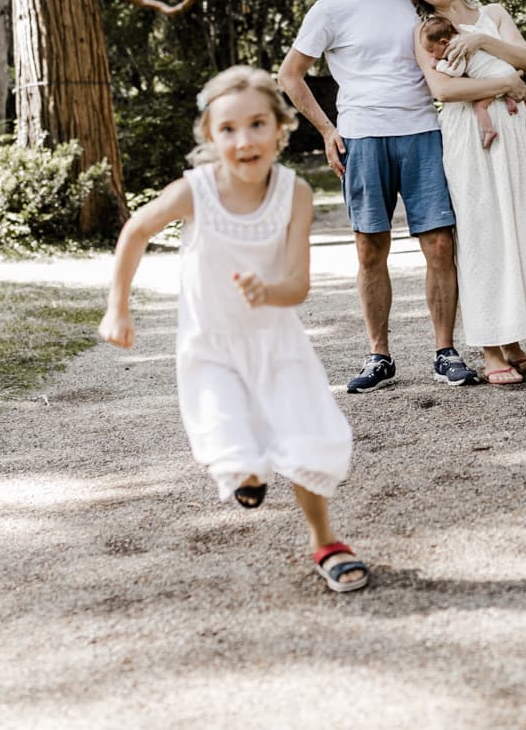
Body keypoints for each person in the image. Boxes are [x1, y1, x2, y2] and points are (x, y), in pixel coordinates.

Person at [98, 66, 368, 594]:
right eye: (228, 130)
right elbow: (135, 231)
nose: (244, 141)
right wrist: (117, 308)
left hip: (277, 343)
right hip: (212, 347)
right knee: (230, 439)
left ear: (280, 128)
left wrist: (268, 292)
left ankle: (325, 540)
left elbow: (297, 283)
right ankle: (246, 473)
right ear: (209, 135)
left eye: (257, 125)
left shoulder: (294, 194)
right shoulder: (194, 192)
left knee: (305, 442)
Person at [278, 0, 526, 394]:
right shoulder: (330, 8)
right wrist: (328, 130)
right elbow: (291, 75)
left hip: (422, 132)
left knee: (440, 245)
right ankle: (379, 356)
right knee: (371, 249)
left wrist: (499, 85)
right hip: (363, 137)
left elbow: (456, 40)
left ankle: (445, 352)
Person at [405, 0, 526, 386]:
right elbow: (442, 89)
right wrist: (505, 84)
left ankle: (513, 343)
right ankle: (490, 347)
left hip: (515, 133)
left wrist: (480, 39)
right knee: (482, 233)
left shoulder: (493, 13)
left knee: (516, 228)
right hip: (469, 135)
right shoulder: (425, 31)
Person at [419, 13, 519, 150]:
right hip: (505, 69)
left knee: (479, 106)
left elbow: (456, 71)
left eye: (431, 50)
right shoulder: (466, 38)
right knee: (495, 88)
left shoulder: (455, 50)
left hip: (496, 77)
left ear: (444, 42)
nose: (431, 54)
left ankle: (489, 130)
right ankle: (509, 99)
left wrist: (438, 64)